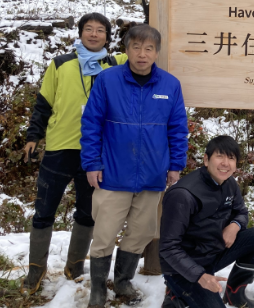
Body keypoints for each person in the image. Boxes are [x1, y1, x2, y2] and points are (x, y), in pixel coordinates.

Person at [80, 24, 188, 308]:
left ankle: (124, 281)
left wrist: (175, 164)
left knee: (141, 232)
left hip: (153, 174)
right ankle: (98, 289)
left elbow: (177, 128)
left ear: (157, 52)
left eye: (149, 48)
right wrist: (92, 162)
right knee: (104, 234)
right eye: (136, 47)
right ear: (126, 50)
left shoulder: (169, 85)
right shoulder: (107, 80)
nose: (142, 54)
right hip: (113, 173)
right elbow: (91, 123)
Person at [20, 12, 128, 295]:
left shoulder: (116, 64)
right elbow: (43, 104)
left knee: (87, 213)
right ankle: (36, 271)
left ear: (108, 36)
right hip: (60, 147)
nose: (94, 34)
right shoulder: (60, 64)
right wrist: (34, 137)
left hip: (97, 152)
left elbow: (144, 50)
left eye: (100, 30)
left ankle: (75, 266)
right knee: (44, 211)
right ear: (80, 33)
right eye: (89, 29)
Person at [159, 135, 254, 308]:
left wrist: (234, 226)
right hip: (184, 266)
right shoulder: (183, 195)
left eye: (231, 158)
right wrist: (200, 276)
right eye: (220, 156)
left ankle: (235, 293)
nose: (225, 163)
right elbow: (168, 247)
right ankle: (175, 292)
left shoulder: (229, 184)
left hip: (213, 251)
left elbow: (241, 212)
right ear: (206, 159)